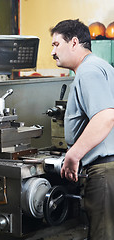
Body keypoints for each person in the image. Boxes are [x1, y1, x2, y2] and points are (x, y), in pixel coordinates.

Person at [50, 19, 114, 240]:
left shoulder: (88, 71)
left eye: (56, 44)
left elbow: (106, 117)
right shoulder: (102, 66)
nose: (53, 52)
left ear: (74, 42)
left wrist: (73, 155)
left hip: (105, 171)